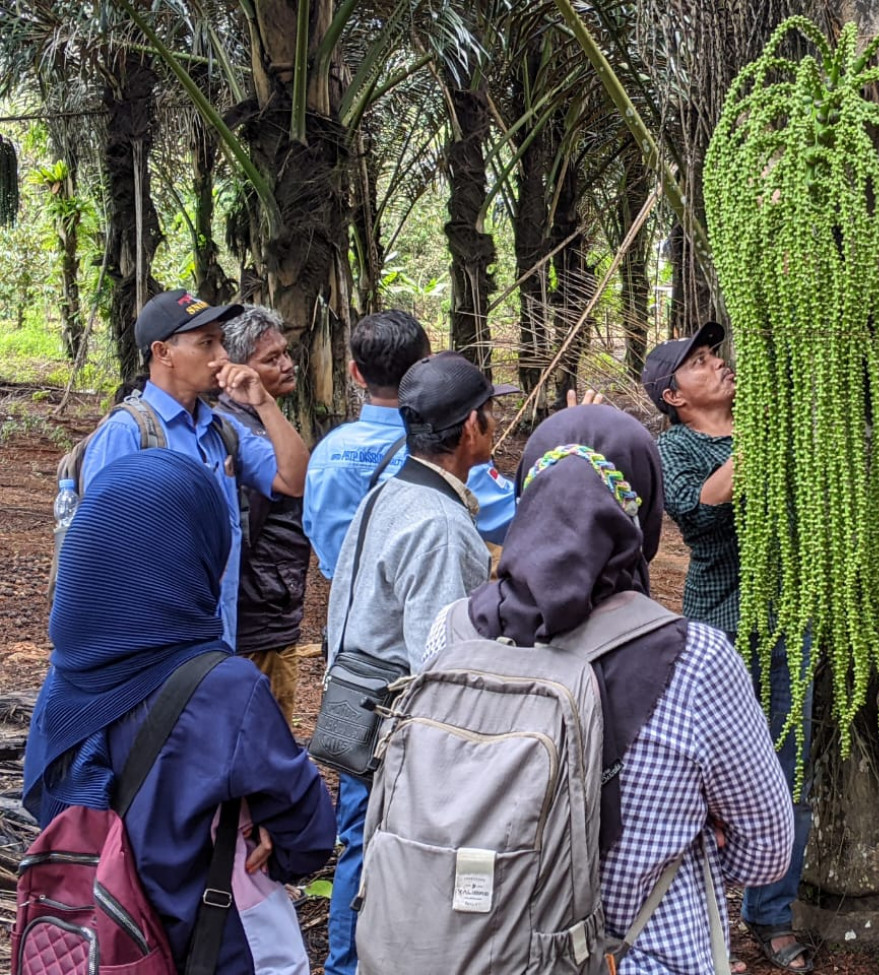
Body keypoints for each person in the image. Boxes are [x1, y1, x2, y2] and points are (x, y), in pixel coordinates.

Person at [427, 404, 794, 974]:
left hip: (487, 950)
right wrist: (692, 841)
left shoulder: (451, 631)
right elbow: (768, 851)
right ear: (641, 510)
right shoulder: (695, 661)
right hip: (646, 953)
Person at [23, 450, 335, 973]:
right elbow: (308, 837)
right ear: (201, 547)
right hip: (214, 946)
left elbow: (48, 802)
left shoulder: (65, 678)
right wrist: (261, 825)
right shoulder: (223, 687)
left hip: (92, 943)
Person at [322, 351, 518, 975]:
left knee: (360, 840)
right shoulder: (441, 524)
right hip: (391, 724)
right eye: (491, 413)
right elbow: (443, 657)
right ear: (469, 429)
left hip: (353, 700)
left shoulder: (392, 489)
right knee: (379, 849)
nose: (495, 423)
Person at [641, 323, 813, 974]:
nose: (718, 364)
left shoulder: (763, 429)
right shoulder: (676, 447)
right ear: (674, 396)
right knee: (703, 778)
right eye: (700, 363)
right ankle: (697, 911)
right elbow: (702, 508)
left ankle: (771, 915)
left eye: (716, 355)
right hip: (719, 630)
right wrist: (764, 432)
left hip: (788, 623)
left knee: (789, 773)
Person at [79, 289, 309, 648]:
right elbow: (97, 551)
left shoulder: (220, 430)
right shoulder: (127, 433)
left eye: (220, 342)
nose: (221, 355)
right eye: (206, 343)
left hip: (219, 637)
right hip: (153, 644)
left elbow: (293, 480)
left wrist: (263, 402)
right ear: (163, 352)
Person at [302, 310, 515, 581]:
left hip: (349, 606)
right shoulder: (445, 450)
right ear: (426, 368)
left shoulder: (327, 450)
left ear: (356, 372)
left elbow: (313, 526)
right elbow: (515, 517)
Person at [214, 306, 308, 725]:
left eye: (285, 353)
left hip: (268, 613)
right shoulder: (237, 432)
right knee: (263, 737)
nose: (288, 365)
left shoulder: (257, 422)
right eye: (271, 359)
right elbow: (242, 532)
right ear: (236, 370)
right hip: (258, 620)